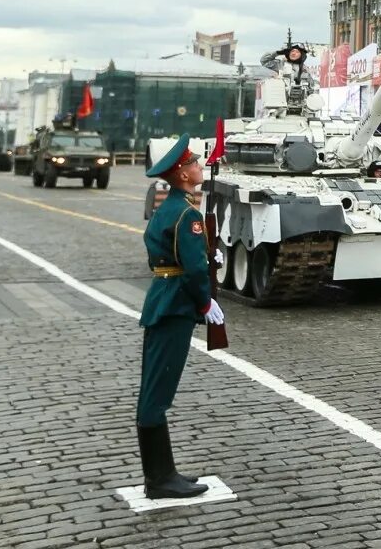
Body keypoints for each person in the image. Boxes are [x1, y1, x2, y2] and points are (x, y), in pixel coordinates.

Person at [136, 134, 222, 499]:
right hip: (175, 307)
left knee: (155, 389)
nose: (199, 167)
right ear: (183, 175)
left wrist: (204, 256)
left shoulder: (168, 208)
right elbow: (192, 271)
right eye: (194, 164)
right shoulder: (188, 214)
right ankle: (159, 479)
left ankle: (165, 472)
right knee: (157, 394)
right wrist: (205, 303)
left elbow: (162, 253)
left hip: (162, 299)